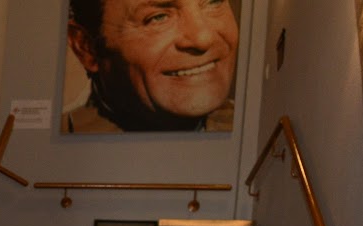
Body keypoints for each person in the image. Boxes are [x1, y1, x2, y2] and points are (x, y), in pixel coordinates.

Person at [62, 0, 239, 134]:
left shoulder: (247, 128)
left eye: (214, 1)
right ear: (86, 48)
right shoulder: (60, 151)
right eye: (158, 17)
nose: (203, 38)